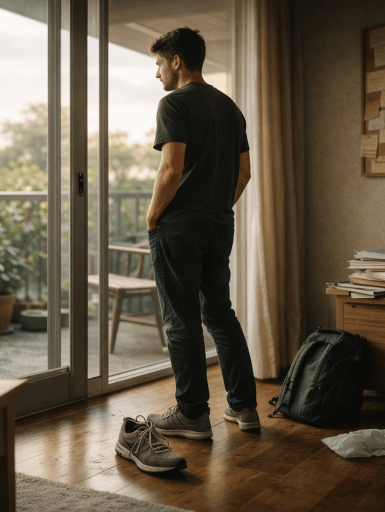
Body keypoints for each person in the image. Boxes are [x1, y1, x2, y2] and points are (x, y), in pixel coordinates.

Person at [144, 27, 260, 439]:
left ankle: (192, 414)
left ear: (176, 61)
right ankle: (245, 407)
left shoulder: (173, 104)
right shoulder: (230, 108)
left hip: (180, 226)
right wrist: (216, 208)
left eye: (159, 64)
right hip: (217, 223)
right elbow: (244, 173)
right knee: (219, 313)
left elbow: (171, 169)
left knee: (181, 319)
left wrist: (153, 215)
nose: (157, 74)